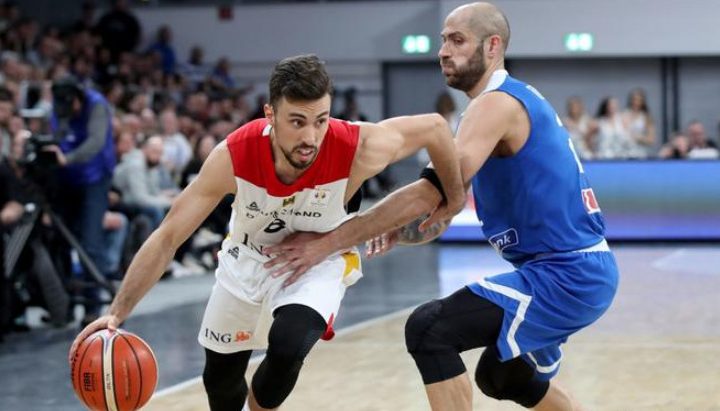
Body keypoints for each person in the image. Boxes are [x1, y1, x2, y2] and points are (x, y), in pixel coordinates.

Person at [264, 4, 619, 410]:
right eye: (443, 40)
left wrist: (326, 243)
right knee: (503, 376)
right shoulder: (505, 102)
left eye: (457, 40)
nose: (444, 51)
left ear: (493, 46)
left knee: (429, 329)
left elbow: (428, 194)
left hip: (566, 274)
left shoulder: (496, 104)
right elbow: (443, 207)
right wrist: (402, 227)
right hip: (572, 271)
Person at [69, 54, 464, 411]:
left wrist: (455, 197)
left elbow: (435, 128)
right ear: (270, 114)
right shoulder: (234, 156)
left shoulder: (357, 146)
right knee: (220, 382)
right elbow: (168, 236)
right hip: (247, 257)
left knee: (290, 343)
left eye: (321, 120)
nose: (310, 137)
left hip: (319, 260)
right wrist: (116, 312)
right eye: (297, 121)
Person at [46, 75, 116, 325]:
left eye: (71, 105)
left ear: (78, 97)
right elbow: (57, 135)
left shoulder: (96, 105)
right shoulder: (58, 107)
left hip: (94, 179)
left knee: (90, 242)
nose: (68, 110)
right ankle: (64, 305)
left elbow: (95, 142)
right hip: (67, 179)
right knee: (62, 240)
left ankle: (92, 306)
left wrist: (68, 157)